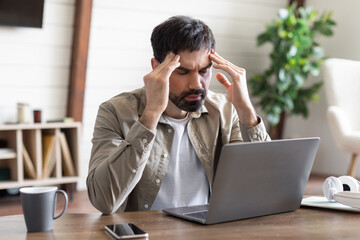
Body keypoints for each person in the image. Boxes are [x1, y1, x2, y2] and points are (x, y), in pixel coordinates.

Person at [87, 15, 271, 214]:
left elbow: (264, 183)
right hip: (145, 232)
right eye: (182, 72)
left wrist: (246, 110)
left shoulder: (226, 110)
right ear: (157, 67)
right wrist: (150, 115)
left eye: (204, 71)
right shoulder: (115, 112)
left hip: (206, 231)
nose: (197, 85)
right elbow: (104, 201)